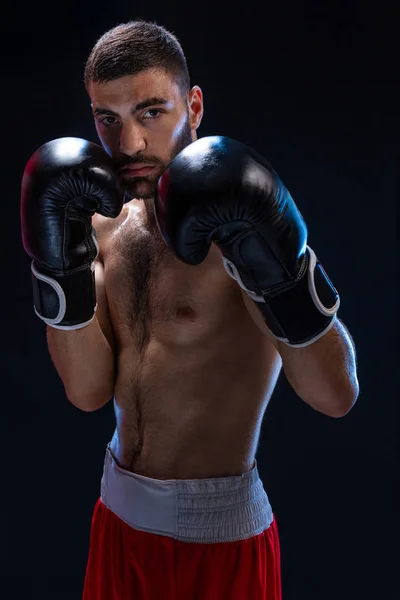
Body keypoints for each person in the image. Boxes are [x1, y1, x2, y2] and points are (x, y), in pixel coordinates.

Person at [20, 20, 359, 600]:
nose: (128, 145)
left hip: (219, 542)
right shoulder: (101, 227)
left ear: (193, 105)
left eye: (151, 112)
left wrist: (278, 270)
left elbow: (337, 395)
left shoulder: (241, 227)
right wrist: (57, 266)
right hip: (117, 522)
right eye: (109, 119)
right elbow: (87, 391)